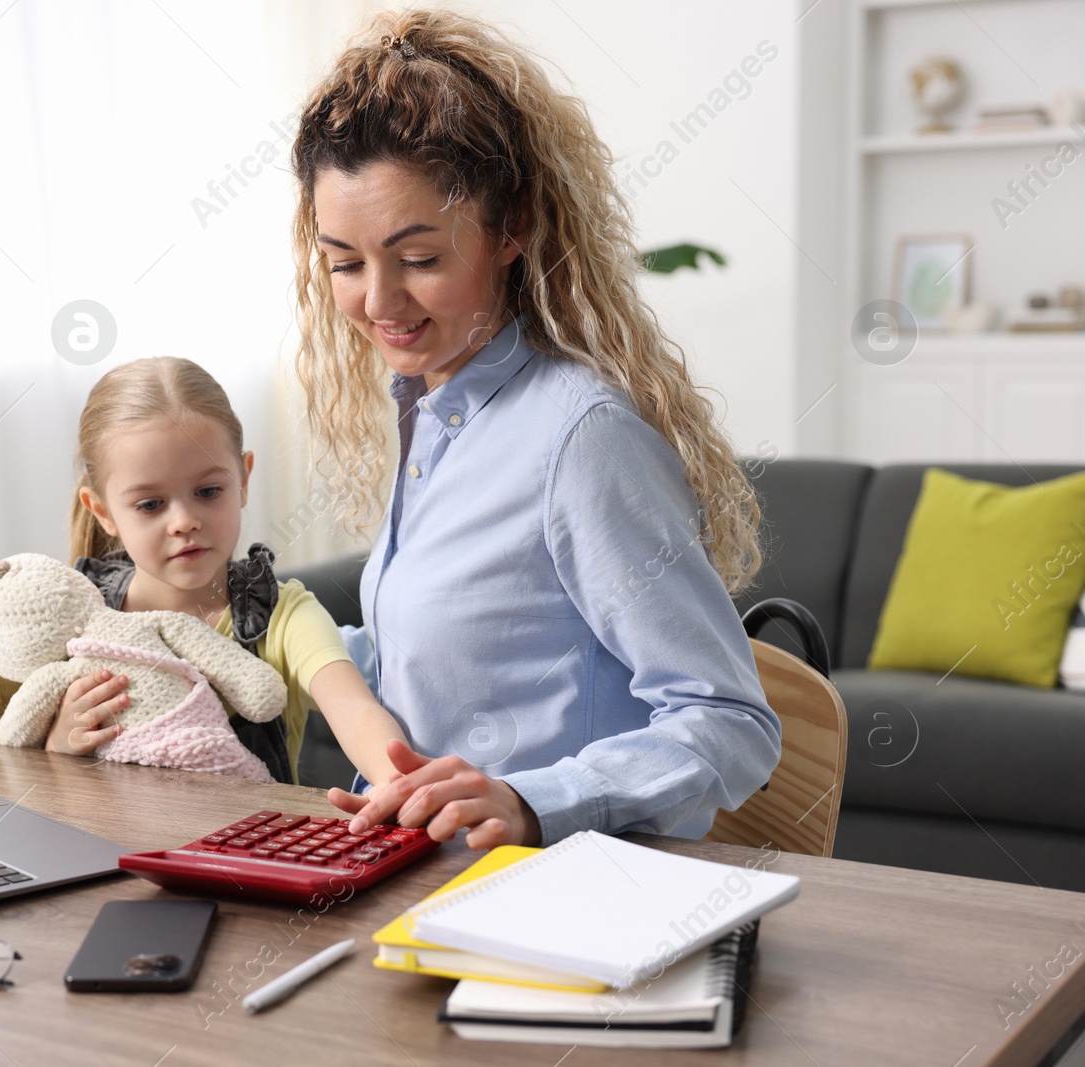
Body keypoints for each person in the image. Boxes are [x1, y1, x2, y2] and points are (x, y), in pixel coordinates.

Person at [288, 10, 781, 850]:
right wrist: (250, 637)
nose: (377, 301)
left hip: (559, 903)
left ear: (510, 228)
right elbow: (449, 654)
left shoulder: (580, 437)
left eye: (419, 260)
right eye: (344, 262)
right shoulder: (433, 414)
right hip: (426, 879)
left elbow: (729, 716)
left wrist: (532, 798)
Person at [56, 355, 408, 788]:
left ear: (243, 479)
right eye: (150, 504)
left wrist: (400, 784)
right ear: (103, 512)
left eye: (208, 491)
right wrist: (57, 743)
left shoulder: (285, 617)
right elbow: (12, 756)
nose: (184, 520)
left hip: (248, 852)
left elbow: (356, 713)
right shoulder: (73, 619)